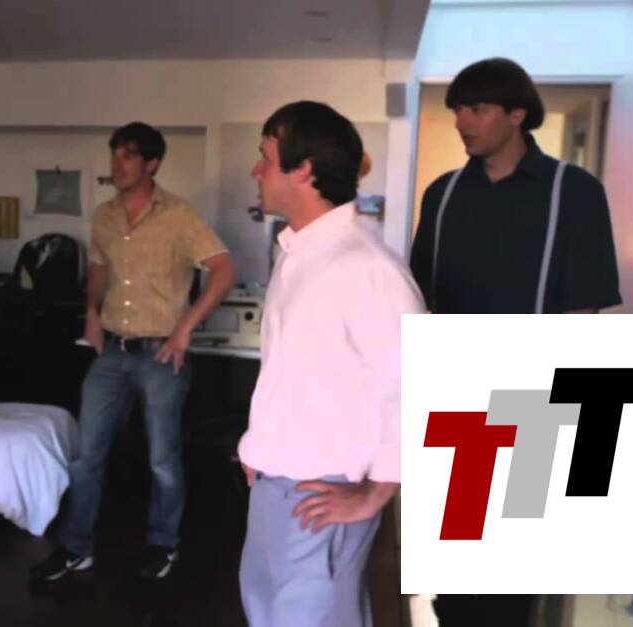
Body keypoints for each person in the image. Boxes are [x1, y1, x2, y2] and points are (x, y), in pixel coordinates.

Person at [408, 58, 622, 625]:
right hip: (457, 405)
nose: (462, 121)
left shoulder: (573, 191)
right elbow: (420, 300)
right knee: (454, 576)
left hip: (536, 405)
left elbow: (583, 310)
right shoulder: (443, 194)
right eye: (458, 108)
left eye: (476, 108)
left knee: (511, 582)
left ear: (517, 114)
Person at [237, 101, 424, 626]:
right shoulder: (298, 254)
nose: (256, 171)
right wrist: (261, 444)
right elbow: (292, 371)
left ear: (304, 169)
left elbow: (418, 383)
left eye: (265, 157)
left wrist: (376, 493)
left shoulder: (365, 266)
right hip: (275, 485)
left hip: (321, 494)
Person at [31, 122, 235, 582]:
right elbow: (99, 269)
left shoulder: (179, 215)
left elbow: (223, 269)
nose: (117, 164)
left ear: (152, 164)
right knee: (86, 454)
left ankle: (164, 545)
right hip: (112, 352)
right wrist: (91, 311)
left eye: (128, 156)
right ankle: (75, 547)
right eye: (115, 155)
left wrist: (185, 330)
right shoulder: (104, 216)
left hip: (162, 354)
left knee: (162, 458)